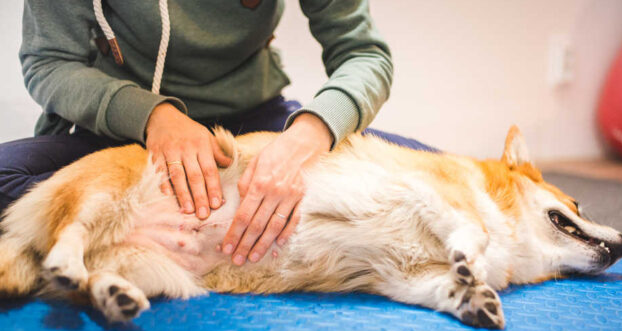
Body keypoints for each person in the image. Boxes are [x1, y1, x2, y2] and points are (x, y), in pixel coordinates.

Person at [0, 0, 393, 266]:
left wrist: (309, 135)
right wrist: (154, 117)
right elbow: (49, 63)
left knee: (404, 180)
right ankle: (134, 228)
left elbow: (364, 55)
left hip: (254, 122)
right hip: (115, 130)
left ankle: (152, 228)